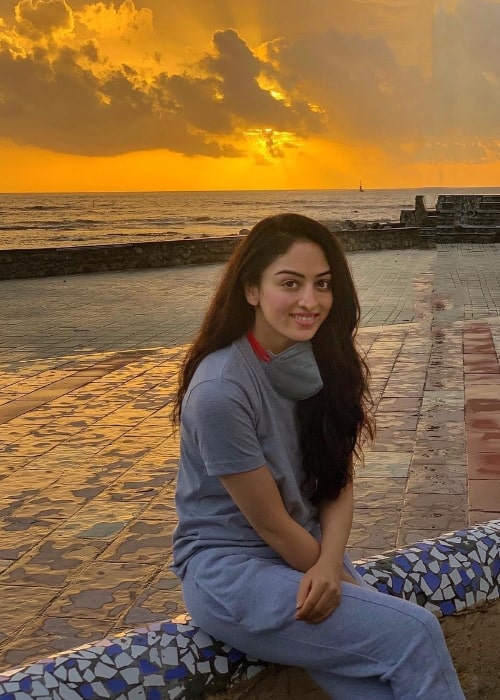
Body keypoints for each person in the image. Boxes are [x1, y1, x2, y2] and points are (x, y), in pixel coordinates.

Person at [171, 213, 464, 699]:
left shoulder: (313, 361)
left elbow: (336, 481)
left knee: (375, 686)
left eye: (322, 284)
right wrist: (335, 573)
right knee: (414, 633)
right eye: (291, 283)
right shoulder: (222, 390)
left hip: (302, 560)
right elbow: (270, 523)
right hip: (234, 572)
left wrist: (331, 565)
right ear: (251, 290)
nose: (310, 301)